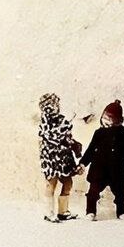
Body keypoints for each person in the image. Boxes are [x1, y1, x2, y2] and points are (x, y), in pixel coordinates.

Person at [78, 100, 124, 221]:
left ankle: (121, 211)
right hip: (99, 168)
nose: (106, 121)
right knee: (93, 191)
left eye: (110, 119)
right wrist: (83, 163)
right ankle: (90, 211)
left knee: (121, 192)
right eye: (104, 118)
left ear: (118, 120)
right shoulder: (99, 133)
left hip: (118, 169)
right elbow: (91, 150)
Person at [38, 93, 81, 223]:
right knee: (51, 184)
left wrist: (73, 144)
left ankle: (63, 211)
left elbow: (67, 137)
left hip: (64, 158)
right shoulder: (45, 124)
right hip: (51, 159)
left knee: (68, 183)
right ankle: (49, 212)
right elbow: (54, 138)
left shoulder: (62, 120)